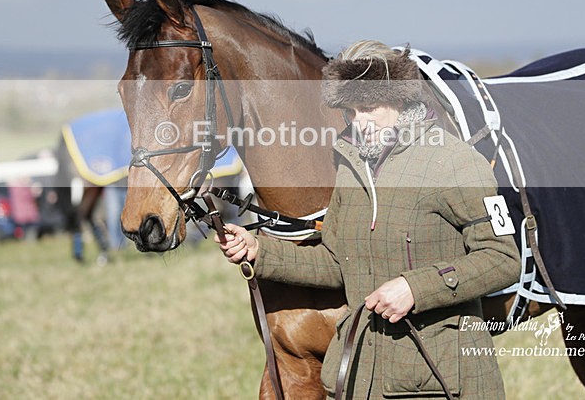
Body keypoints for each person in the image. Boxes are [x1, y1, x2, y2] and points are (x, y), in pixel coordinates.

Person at [218, 41, 521, 399]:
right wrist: (259, 251)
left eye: (368, 108)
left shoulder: (455, 162)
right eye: (350, 112)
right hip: (364, 380)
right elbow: (337, 262)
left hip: (442, 380)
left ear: (400, 98)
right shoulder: (351, 169)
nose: (359, 123)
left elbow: (503, 259)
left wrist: (415, 288)